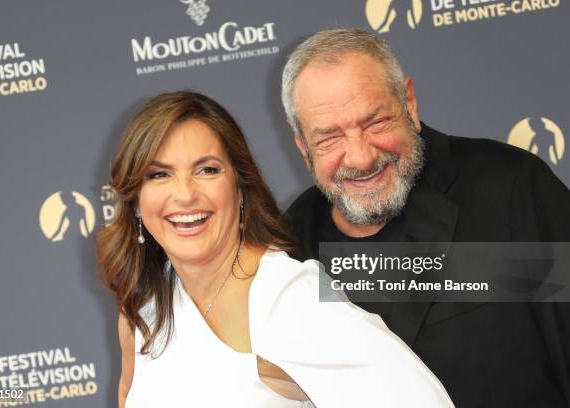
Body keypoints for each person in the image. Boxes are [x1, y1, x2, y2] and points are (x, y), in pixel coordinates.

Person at [97, 91, 454, 407]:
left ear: (239, 188)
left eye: (206, 170)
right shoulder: (143, 311)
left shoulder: (286, 297)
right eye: (159, 175)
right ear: (135, 199)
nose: (186, 194)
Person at [282, 28, 570, 407]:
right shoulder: (290, 248)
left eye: (375, 123)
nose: (361, 158)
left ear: (410, 103)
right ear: (304, 147)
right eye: (329, 138)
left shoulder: (511, 186)